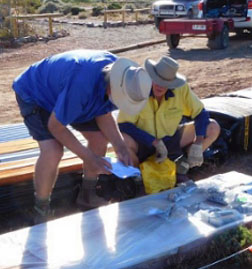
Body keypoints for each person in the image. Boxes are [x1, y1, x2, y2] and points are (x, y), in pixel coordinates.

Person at [12, 50, 152, 222]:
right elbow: (56, 127)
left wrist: (120, 147)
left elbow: (104, 114)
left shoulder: (124, 76)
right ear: (112, 86)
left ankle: (87, 195)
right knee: (53, 150)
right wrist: (89, 157)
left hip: (68, 94)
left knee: (100, 139)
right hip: (37, 95)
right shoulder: (81, 83)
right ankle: (41, 209)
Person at [117, 56, 220, 182]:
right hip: (143, 143)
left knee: (213, 127)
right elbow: (124, 125)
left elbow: (201, 113)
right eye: (157, 80)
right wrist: (154, 142)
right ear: (151, 77)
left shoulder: (181, 90)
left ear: (172, 83)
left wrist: (198, 142)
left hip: (171, 140)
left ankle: (182, 166)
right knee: (122, 141)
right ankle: (139, 177)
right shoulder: (138, 90)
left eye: (165, 83)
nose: (160, 86)